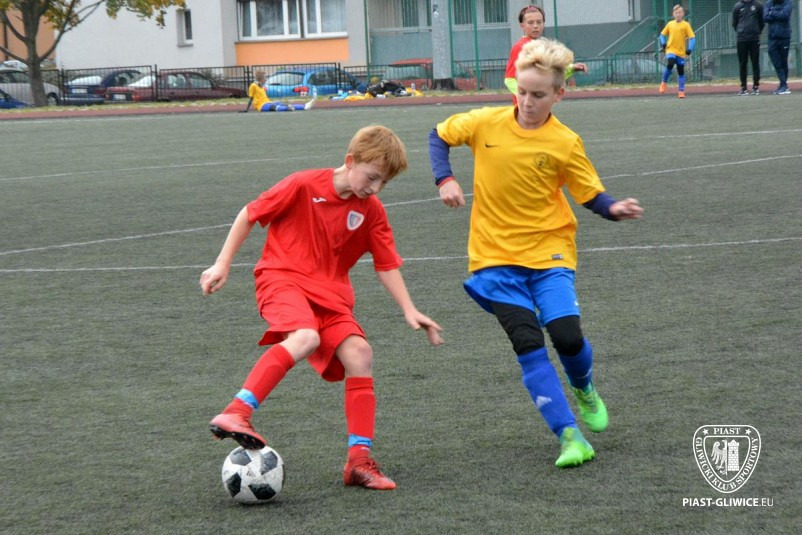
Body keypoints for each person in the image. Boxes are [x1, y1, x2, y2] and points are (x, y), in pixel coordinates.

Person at [428, 38, 643, 468]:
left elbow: (589, 192)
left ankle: (583, 386)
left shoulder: (565, 141)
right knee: (527, 342)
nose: (527, 102)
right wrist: (444, 179)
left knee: (567, 337)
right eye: (522, 92)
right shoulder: (485, 122)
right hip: (494, 259)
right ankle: (570, 437)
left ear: (559, 95)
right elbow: (438, 135)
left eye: (538, 95)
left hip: (549, 253)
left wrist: (613, 208)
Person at [201, 125, 443, 490]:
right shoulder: (303, 184)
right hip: (282, 278)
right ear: (350, 161)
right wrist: (222, 263)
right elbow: (249, 213)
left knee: (360, 354)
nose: (376, 188)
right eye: (372, 177)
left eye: (384, 183)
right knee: (306, 337)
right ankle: (237, 411)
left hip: (331, 295)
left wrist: (409, 309)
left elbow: (386, 263)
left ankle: (358, 462)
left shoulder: (371, 211)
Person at [504, 5, 587, 103]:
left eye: (539, 22)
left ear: (543, 24)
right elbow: (510, 80)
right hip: (526, 109)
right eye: (530, 22)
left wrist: (571, 68)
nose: (535, 26)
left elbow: (548, 75)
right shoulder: (520, 47)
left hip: (541, 106)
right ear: (522, 25)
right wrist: (527, 97)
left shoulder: (541, 45)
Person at [658, 4, 696, 99]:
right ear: (673, 14)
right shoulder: (670, 24)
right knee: (670, 63)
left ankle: (681, 91)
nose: (678, 14)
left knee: (681, 71)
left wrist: (690, 49)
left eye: (680, 12)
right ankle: (663, 82)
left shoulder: (686, 25)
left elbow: (692, 38)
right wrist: (663, 43)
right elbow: (662, 35)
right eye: (676, 13)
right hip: (670, 49)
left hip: (681, 52)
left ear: (683, 14)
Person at [241, 70, 315, 112]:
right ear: (260, 79)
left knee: (280, 103)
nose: (266, 79)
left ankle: (304, 106)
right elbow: (251, 98)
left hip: (267, 102)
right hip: (261, 106)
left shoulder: (262, 86)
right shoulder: (253, 86)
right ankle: (287, 109)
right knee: (274, 106)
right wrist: (246, 109)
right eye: (264, 78)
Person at [732, 0, 765, 96]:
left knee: (755, 63)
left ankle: (756, 86)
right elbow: (734, 23)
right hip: (742, 39)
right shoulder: (738, 6)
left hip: (754, 39)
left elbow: (762, 22)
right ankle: (744, 87)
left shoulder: (758, 5)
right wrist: (740, 32)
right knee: (743, 63)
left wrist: (756, 32)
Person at [764, 0, 793, 94]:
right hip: (772, 38)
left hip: (784, 37)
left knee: (783, 61)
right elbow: (765, 17)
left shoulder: (788, 2)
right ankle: (783, 84)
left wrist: (772, 12)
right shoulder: (769, 3)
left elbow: (785, 15)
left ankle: (783, 85)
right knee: (776, 62)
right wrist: (778, 14)